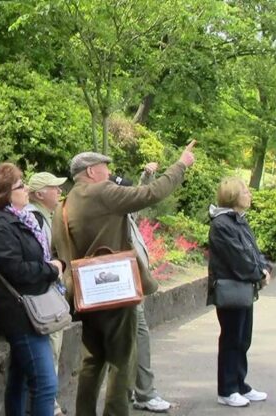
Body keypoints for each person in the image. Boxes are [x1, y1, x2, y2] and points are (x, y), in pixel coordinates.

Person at [52, 144, 196, 416]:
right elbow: (151, 194)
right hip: (115, 291)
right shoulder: (101, 192)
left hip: (86, 295)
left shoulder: (63, 206)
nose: (109, 173)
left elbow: (56, 252)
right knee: (122, 360)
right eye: (105, 168)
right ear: (92, 171)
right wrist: (181, 165)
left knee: (92, 360)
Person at [0, 163, 62, 416]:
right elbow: (18, 271)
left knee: (20, 380)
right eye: (20, 185)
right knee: (45, 384)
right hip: (22, 315)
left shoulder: (18, 220)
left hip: (29, 310)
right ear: (5, 193)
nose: (26, 188)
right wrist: (52, 269)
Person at [110, 163, 172, 413]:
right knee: (135, 342)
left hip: (132, 289)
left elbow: (141, 196)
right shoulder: (114, 219)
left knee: (136, 342)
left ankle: (140, 392)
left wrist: (146, 176)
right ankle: (142, 394)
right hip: (124, 290)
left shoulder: (126, 215)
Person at [207, 177, 270, 407]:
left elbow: (253, 251)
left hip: (243, 288)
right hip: (231, 288)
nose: (249, 194)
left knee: (243, 339)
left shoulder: (239, 221)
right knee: (231, 338)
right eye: (245, 191)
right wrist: (259, 273)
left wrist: (264, 267)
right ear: (233, 196)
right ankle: (227, 389)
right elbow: (238, 259)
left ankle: (240, 384)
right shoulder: (222, 224)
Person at [26, 171, 68, 416]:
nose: (59, 192)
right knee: (51, 349)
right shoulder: (36, 219)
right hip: (45, 297)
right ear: (40, 193)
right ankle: (49, 406)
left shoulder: (43, 216)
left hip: (47, 294)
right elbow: (42, 260)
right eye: (55, 188)